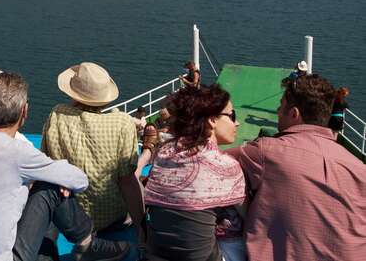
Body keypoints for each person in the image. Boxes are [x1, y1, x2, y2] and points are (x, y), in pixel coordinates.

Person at [0, 71, 130, 261]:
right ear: (24, 111)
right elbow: (80, 180)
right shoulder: (19, 153)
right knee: (51, 189)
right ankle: (88, 244)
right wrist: (53, 177)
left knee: (46, 185)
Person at [227, 74, 366, 261]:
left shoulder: (267, 152)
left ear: (294, 113)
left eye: (280, 106)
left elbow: (209, 161)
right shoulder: (359, 168)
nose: (277, 111)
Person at [144, 85, 246, 261]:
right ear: (212, 120)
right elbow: (251, 217)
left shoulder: (165, 153)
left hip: (157, 253)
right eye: (232, 115)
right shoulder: (226, 166)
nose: (237, 122)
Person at [41, 62, 142, 233]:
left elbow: (46, 161)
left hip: (70, 218)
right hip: (113, 218)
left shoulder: (57, 116)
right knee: (136, 181)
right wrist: (142, 228)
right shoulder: (122, 123)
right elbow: (127, 181)